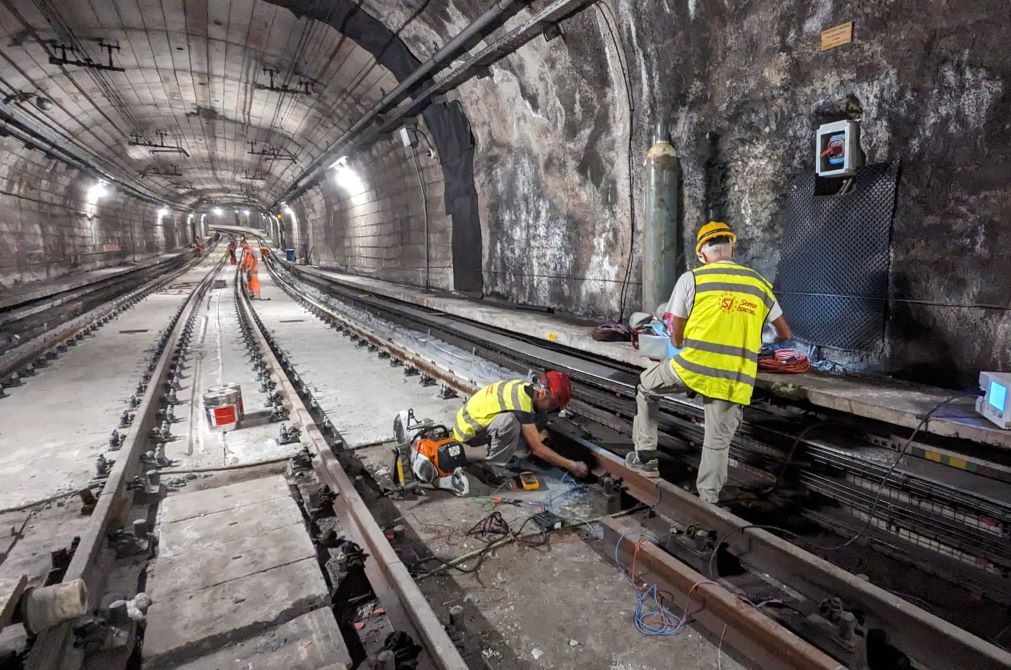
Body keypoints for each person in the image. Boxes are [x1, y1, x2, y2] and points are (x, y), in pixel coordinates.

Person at [629, 221, 792, 504]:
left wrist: (680, 344)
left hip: (691, 367)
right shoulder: (758, 283)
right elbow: (784, 334)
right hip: (734, 376)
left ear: (702, 254)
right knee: (716, 443)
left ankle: (646, 457)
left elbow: (676, 336)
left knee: (645, 388)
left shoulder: (692, 279)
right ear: (733, 248)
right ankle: (708, 505)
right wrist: (752, 340)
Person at [453, 371, 588, 480]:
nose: (552, 409)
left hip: (481, 423)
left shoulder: (527, 388)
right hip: (468, 434)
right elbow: (538, 449)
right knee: (510, 422)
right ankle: (493, 469)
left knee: (541, 416)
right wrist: (572, 466)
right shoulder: (521, 402)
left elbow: (538, 417)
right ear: (542, 393)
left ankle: (506, 451)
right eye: (552, 405)